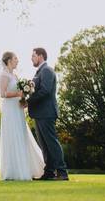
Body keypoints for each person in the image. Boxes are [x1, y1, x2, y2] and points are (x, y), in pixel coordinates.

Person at [0, 51, 45, 181]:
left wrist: (24, 100)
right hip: (10, 110)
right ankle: (13, 171)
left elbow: (20, 93)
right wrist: (18, 94)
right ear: (8, 60)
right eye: (15, 58)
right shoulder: (4, 75)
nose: (17, 60)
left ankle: (26, 168)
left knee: (21, 134)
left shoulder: (15, 76)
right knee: (12, 136)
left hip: (18, 109)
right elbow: (3, 94)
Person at [26, 47, 69, 181]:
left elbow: (45, 91)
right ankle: (49, 172)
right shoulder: (39, 72)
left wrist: (28, 101)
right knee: (44, 145)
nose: (31, 58)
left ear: (40, 56)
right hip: (40, 113)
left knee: (52, 143)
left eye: (33, 55)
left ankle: (62, 172)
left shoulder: (47, 70)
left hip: (47, 112)